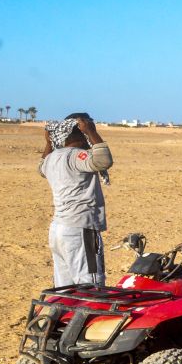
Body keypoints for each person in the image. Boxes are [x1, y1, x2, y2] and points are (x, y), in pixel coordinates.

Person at [40, 113, 114, 288]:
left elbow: (40, 168)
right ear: (78, 132)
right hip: (81, 227)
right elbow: (103, 160)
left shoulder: (52, 158)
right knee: (91, 284)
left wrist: (49, 143)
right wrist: (91, 132)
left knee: (64, 287)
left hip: (58, 229)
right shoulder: (75, 156)